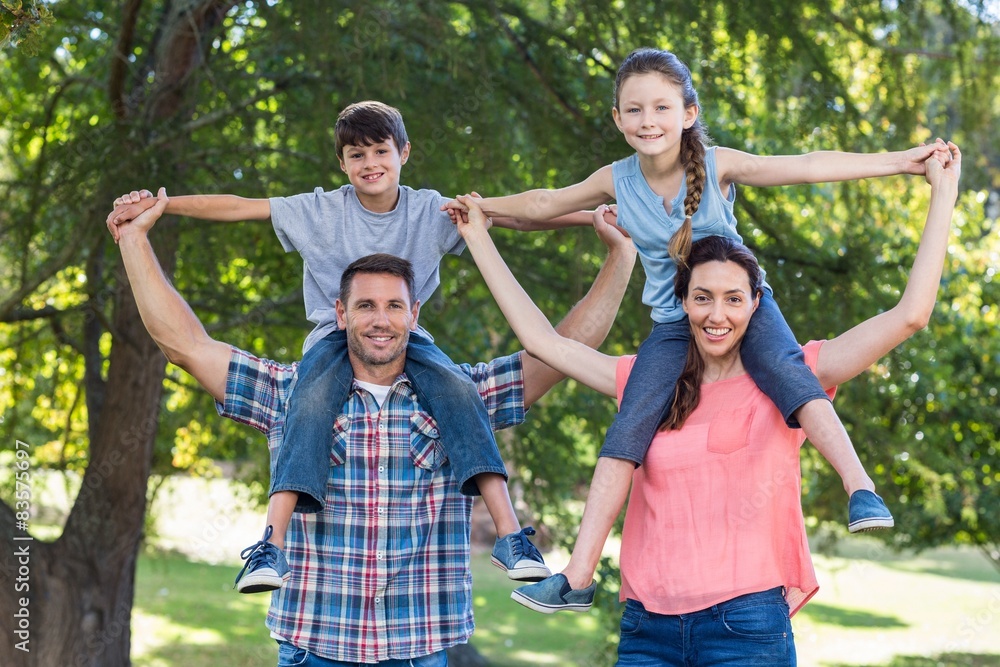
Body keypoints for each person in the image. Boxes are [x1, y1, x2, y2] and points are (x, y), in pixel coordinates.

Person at [452, 143, 959, 664]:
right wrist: (478, 237)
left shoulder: (794, 377)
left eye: (734, 299)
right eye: (702, 298)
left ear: (756, 302)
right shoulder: (645, 383)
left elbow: (910, 315)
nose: (717, 315)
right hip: (648, 630)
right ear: (682, 302)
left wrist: (942, 192)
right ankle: (576, 577)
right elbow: (546, 343)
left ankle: (862, 490)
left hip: (746, 628)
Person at [110, 187, 637, 665]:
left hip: (421, 648)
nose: (380, 320)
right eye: (365, 306)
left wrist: (620, 255)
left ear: (414, 314)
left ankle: (511, 539)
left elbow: (565, 352)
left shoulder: (461, 398)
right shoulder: (291, 393)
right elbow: (186, 346)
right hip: (315, 644)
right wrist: (134, 240)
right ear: (339, 314)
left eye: (393, 306)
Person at [445, 47, 948, 547]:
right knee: (632, 419)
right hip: (672, 323)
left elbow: (808, 164)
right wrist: (480, 208)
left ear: (688, 114)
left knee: (787, 371)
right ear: (618, 118)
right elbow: (542, 204)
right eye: (635, 110)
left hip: (743, 311)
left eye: (662, 107)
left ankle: (860, 487)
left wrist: (902, 162)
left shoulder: (716, 165)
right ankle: (576, 574)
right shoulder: (614, 180)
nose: (648, 121)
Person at [106, 100, 592, 593]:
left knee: (461, 393)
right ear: (342, 162)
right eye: (356, 155)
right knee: (309, 404)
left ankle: (511, 537)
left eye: (381, 150)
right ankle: (270, 545)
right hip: (331, 341)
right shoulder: (319, 209)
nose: (370, 164)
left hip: (410, 340)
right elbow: (237, 206)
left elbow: (522, 215)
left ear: (404, 152)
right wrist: (163, 206)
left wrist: (594, 217)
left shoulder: (431, 209)